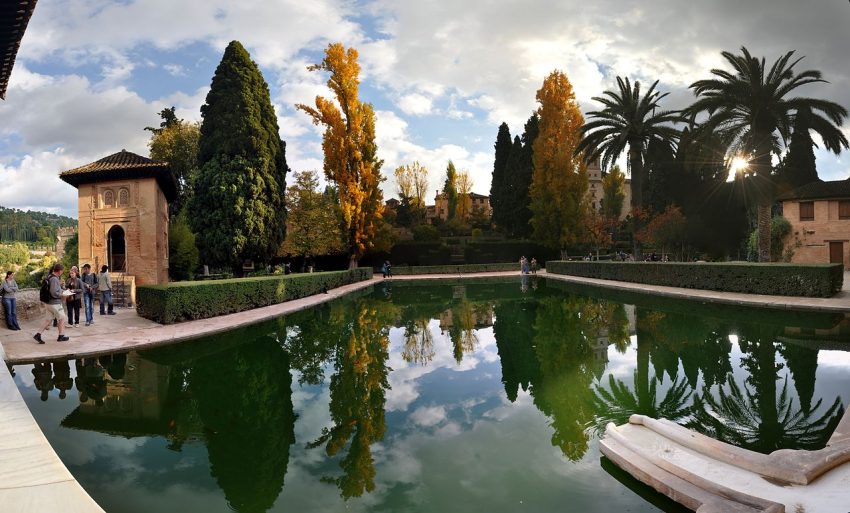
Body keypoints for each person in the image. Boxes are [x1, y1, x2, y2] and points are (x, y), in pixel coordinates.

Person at [34, 263, 70, 344]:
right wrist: (63, 294)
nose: (62, 273)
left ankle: (38, 334)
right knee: (62, 318)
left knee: (48, 320)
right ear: (60, 271)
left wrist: (61, 290)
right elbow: (54, 292)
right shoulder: (54, 279)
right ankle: (61, 336)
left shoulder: (49, 276)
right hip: (55, 303)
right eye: (62, 271)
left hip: (48, 303)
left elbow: (54, 289)